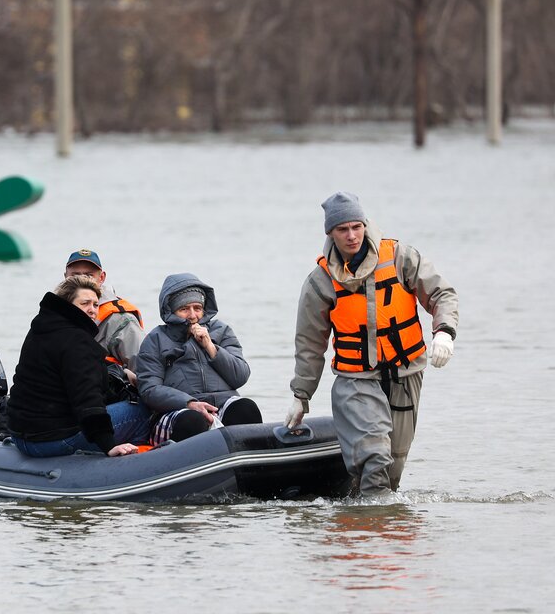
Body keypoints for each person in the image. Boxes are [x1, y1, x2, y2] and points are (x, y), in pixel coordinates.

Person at [284, 192, 459, 496]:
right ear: (330, 233)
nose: (351, 236)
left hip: (406, 373)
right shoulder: (320, 281)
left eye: (356, 226)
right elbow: (310, 343)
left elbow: (442, 294)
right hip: (356, 380)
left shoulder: (400, 257)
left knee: (392, 468)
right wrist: (301, 394)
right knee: (375, 455)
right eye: (342, 229)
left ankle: (367, 526)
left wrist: (444, 331)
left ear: (365, 225)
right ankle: (368, 523)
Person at [8, 275, 150, 458]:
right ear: (68, 304)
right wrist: (108, 444)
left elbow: (63, 366)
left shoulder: (41, 330)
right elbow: (87, 399)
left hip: (22, 438)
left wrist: (121, 372)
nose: (92, 310)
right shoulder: (78, 341)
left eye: (95, 305)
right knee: (140, 411)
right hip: (54, 441)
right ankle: (129, 465)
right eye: (85, 303)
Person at [135, 273, 262, 445]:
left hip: (221, 405)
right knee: (193, 420)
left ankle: (252, 466)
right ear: (171, 311)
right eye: (184, 309)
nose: (192, 315)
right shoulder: (155, 339)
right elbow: (149, 389)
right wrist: (189, 403)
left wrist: (210, 347)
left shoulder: (222, 331)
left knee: (246, 408)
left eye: (197, 307)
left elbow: (240, 376)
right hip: (179, 410)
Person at [63, 249, 145, 374]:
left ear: (101, 278)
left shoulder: (121, 319)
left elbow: (144, 370)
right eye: (75, 276)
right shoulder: (55, 313)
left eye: (88, 276)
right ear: (65, 277)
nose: (81, 281)